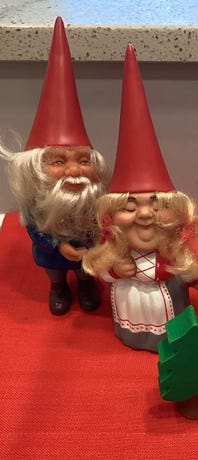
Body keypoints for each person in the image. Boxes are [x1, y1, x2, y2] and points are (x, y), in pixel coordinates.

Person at [83, 44, 198, 352]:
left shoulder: (173, 253)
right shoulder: (115, 251)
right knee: (134, 326)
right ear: (111, 217)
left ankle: (164, 337)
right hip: (130, 302)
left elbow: (186, 269)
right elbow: (101, 269)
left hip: (165, 302)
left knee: (168, 329)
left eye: (156, 206)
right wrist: (116, 271)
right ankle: (132, 334)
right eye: (130, 207)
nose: (145, 215)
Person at [0, 17, 109, 315]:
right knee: (55, 270)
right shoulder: (37, 202)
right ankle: (58, 286)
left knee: (85, 269)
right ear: (35, 168)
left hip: (87, 252)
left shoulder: (94, 197)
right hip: (52, 251)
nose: (74, 171)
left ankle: (85, 283)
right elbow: (34, 228)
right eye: (58, 162)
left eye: (83, 160)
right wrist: (58, 246)